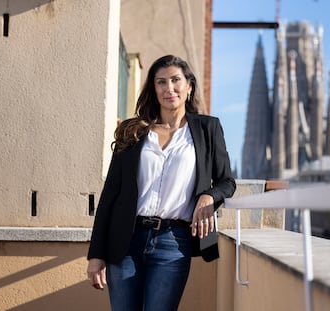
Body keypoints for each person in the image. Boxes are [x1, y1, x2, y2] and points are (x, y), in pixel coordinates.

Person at [87, 54, 236, 311]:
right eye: (161, 82)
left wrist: (209, 196)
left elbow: (227, 181)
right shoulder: (133, 131)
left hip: (173, 241)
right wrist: (96, 254)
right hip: (125, 240)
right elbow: (110, 195)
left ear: (188, 86)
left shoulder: (207, 129)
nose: (169, 88)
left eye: (176, 80)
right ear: (153, 89)